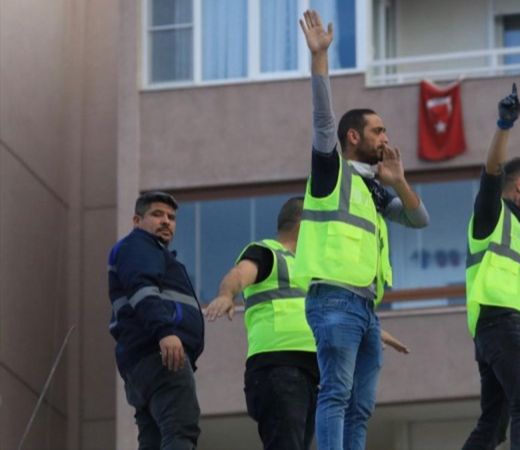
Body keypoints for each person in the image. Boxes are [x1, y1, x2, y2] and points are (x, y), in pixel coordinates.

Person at [294, 10, 429, 450]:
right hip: (333, 299)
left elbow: (418, 219)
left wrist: (398, 181)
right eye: (378, 130)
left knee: (361, 406)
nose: (385, 138)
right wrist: (319, 59)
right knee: (335, 394)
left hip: (366, 310)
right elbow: (321, 120)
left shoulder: (374, 190)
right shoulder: (332, 171)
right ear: (353, 136)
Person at [204, 197, 411, 450]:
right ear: (304, 223)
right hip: (278, 367)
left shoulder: (313, 271)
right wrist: (226, 294)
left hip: (311, 372)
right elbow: (238, 275)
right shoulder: (268, 252)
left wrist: (372, 331)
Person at [462, 84, 520, 450]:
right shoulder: (492, 215)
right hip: (503, 325)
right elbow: (492, 171)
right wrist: (504, 125)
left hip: (499, 329)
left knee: (494, 424)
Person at [108, 191, 204, 450]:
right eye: (157, 214)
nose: (166, 221)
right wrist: (165, 332)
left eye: (171, 217)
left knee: (154, 440)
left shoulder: (148, 252)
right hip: (161, 356)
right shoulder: (140, 246)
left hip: (143, 361)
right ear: (137, 221)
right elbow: (143, 290)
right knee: (180, 428)